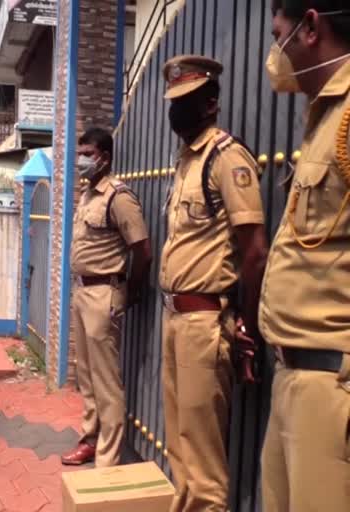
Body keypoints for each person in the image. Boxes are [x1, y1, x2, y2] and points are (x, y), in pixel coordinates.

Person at [159, 55, 269, 512]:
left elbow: (255, 250)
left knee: (203, 466)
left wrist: (247, 323)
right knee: (180, 450)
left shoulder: (227, 158)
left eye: (185, 101)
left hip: (205, 322)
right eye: (173, 101)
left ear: (210, 104)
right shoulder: (187, 161)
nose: (175, 111)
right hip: (175, 318)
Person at [261, 3, 350, 510]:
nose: (276, 53)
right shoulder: (326, 118)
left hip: (330, 386)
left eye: (279, 35)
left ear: (311, 27)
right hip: (294, 373)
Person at [61, 128, 152, 467]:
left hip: (104, 292)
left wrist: (131, 290)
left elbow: (142, 249)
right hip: (82, 291)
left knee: (106, 380)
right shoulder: (88, 195)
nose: (81, 159)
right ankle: (89, 438)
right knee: (85, 374)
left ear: (105, 157)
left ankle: (107, 458)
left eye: (87, 153)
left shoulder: (119, 197)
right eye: (80, 152)